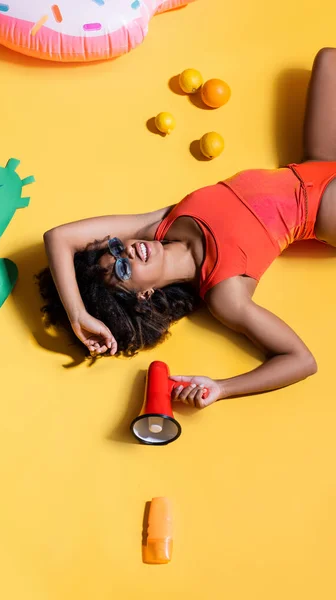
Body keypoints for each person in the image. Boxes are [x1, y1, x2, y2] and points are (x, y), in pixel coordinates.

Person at [38, 48, 336, 409]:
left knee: (328, 60)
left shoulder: (157, 223)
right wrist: (222, 388)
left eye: (116, 249)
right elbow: (301, 361)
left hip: (314, 165)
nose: (127, 252)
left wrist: (78, 315)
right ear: (144, 296)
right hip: (325, 209)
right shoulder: (225, 294)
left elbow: (59, 237)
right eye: (122, 269)